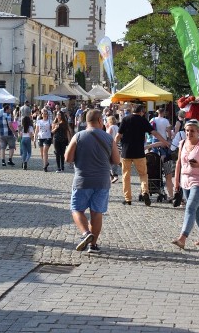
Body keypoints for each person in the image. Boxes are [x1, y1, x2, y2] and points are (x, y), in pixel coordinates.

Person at [65, 109, 119, 255]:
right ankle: (93, 245)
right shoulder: (108, 138)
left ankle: (85, 233)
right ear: (100, 121)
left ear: (86, 121)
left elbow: (68, 158)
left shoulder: (78, 136)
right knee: (97, 213)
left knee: (76, 209)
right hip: (102, 181)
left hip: (82, 180)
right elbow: (116, 160)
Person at [172, 119, 199, 248]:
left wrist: (198, 165)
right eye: (187, 130)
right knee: (196, 210)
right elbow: (179, 163)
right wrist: (176, 181)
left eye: (192, 131)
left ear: (198, 131)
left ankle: (182, 238)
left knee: (190, 207)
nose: (189, 133)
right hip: (185, 180)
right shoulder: (182, 143)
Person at [115, 103, 168, 206]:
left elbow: (118, 135)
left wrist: (112, 147)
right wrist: (165, 142)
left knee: (126, 176)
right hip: (139, 152)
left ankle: (128, 199)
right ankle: (145, 192)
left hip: (126, 152)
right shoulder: (143, 120)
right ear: (141, 111)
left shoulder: (125, 119)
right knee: (143, 174)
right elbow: (154, 133)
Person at [106, 115, 120, 183]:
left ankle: (114, 175)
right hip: (118, 146)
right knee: (115, 162)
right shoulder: (118, 127)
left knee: (108, 161)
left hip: (111, 146)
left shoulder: (110, 128)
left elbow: (107, 137)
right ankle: (112, 176)